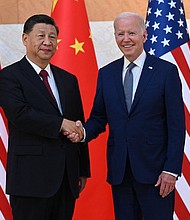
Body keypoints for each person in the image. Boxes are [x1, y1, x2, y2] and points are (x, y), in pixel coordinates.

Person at [66, 12, 186, 220]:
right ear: (115, 37)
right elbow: (99, 117)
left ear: (144, 35)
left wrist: (171, 170)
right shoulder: (107, 73)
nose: (126, 39)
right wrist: (83, 132)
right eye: (120, 34)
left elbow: (176, 125)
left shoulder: (166, 71)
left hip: (156, 173)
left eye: (131, 33)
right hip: (121, 172)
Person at [0, 14, 90, 220]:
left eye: (52, 37)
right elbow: (20, 115)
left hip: (67, 177)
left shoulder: (68, 79)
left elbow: (78, 123)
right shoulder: (9, 76)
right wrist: (60, 124)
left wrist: (82, 169)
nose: (47, 42)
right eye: (41, 36)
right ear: (25, 39)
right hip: (30, 179)